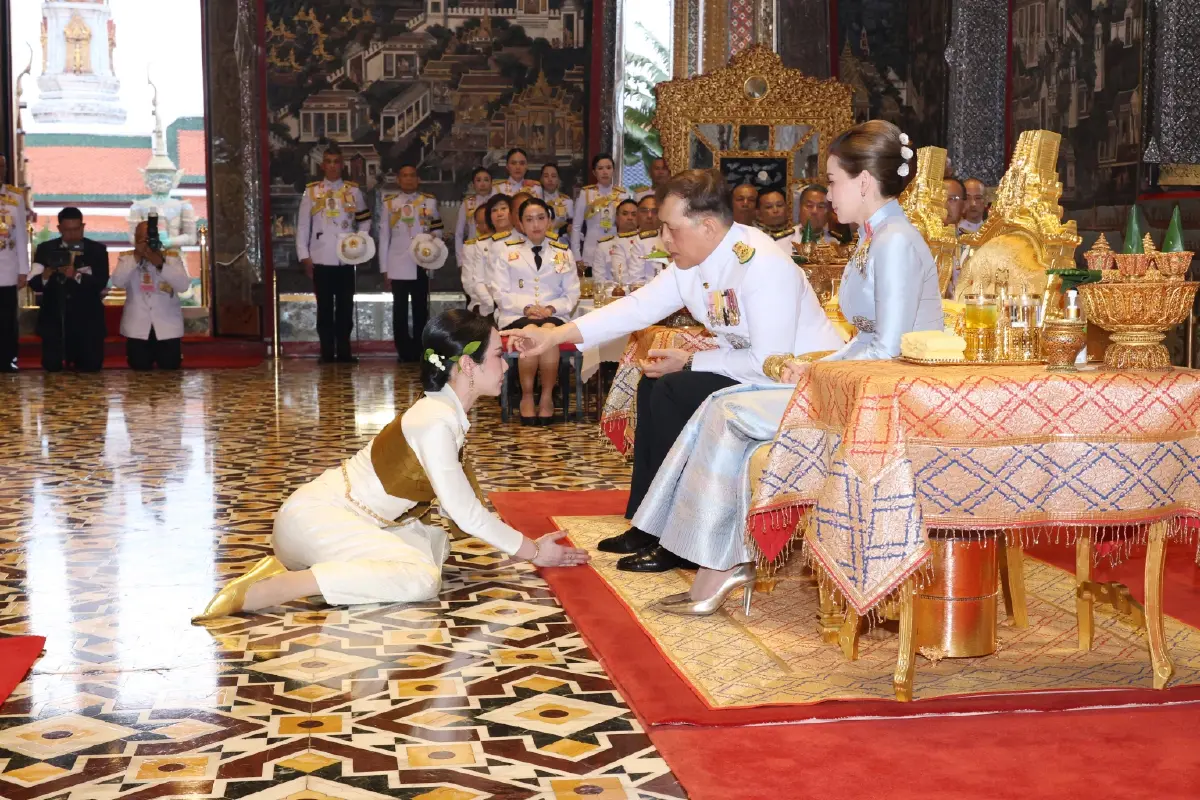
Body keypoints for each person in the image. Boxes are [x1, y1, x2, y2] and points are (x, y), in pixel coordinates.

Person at [642, 120, 943, 613]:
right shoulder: (874, 237)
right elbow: (863, 339)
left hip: (886, 401)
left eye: (833, 181)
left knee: (727, 411)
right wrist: (811, 365)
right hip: (857, 384)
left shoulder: (893, 242)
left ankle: (716, 567)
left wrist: (817, 373)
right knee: (722, 403)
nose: (826, 194)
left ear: (863, 183)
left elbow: (887, 348)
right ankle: (715, 561)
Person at [508, 169, 842, 571]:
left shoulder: (762, 265)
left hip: (793, 384)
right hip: (751, 373)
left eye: (670, 228)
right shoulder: (694, 261)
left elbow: (768, 363)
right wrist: (555, 336)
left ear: (706, 225)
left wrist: (691, 360)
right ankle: (649, 521)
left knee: (672, 391)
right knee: (654, 385)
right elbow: (637, 307)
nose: (663, 239)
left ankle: (681, 540)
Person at [192, 309, 590, 621]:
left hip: (334, 521)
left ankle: (295, 567)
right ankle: (271, 590)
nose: (506, 367)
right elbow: (465, 513)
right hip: (314, 521)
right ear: (467, 365)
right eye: (500, 356)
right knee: (421, 579)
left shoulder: (442, 411)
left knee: (434, 543)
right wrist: (533, 552)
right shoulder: (435, 421)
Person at [491, 198, 580, 425]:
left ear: (549, 220)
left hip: (554, 315)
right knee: (530, 331)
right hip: (517, 315)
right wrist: (527, 307)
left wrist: (550, 308)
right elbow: (499, 292)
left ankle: (547, 396)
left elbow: (572, 293)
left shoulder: (563, 253)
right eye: (529, 219)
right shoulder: (508, 252)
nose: (536, 224)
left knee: (549, 330)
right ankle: (528, 395)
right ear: (520, 224)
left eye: (541, 218)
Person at [297, 144, 371, 363]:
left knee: (346, 306)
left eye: (336, 162)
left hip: (346, 258)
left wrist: (358, 241)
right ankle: (327, 351)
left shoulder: (353, 191)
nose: (332, 166)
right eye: (328, 162)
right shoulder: (311, 191)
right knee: (325, 307)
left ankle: (345, 351)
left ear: (342, 164)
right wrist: (304, 255)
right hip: (320, 256)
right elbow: (303, 226)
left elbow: (365, 220)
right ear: (322, 165)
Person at [28, 207, 109, 372]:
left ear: (83, 226)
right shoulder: (45, 249)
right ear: (59, 229)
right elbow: (34, 283)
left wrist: (76, 275)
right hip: (55, 320)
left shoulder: (97, 250)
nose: (72, 234)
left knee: (91, 367)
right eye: (67, 230)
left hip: (88, 322)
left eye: (76, 229)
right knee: (52, 367)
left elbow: (100, 282)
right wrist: (46, 275)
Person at [380, 164, 443, 362]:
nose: (408, 179)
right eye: (404, 176)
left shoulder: (429, 202)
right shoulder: (389, 204)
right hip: (397, 263)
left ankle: (419, 350)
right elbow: (384, 237)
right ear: (398, 179)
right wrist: (385, 269)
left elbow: (438, 230)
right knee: (399, 310)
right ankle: (404, 352)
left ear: (418, 179)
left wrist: (432, 249)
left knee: (420, 310)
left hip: (421, 263)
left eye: (412, 176)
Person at [110, 221, 192, 370]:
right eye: (143, 238)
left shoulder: (171, 258)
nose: (147, 242)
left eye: (150, 238)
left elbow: (183, 285)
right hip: (137, 328)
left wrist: (160, 264)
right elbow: (118, 282)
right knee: (138, 367)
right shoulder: (127, 259)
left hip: (167, 326)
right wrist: (137, 256)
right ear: (135, 239)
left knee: (170, 368)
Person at [572, 154, 631, 271]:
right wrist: (576, 256)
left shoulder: (622, 195)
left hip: (616, 248)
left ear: (613, 170)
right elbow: (576, 226)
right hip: (591, 251)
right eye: (600, 168)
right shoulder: (586, 193)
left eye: (608, 168)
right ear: (594, 172)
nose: (605, 172)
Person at [0, 167, 29, 373]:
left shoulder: (14, 197)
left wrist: (23, 270)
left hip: (6, 268)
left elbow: (20, 235)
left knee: (6, 318)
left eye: (2, 166)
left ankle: (7, 358)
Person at [610, 195, 668, 285]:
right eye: (644, 211)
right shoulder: (623, 242)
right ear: (637, 215)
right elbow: (624, 279)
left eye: (655, 211)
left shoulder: (671, 236)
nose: (649, 216)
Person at [454, 166, 495, 267]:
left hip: (494, 252)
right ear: (473, 184)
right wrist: (460, 261)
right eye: (478, 180)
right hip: (472, 254)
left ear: (491, 183)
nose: (482, 184)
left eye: (486, 180)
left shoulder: (497, 204)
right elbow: (459, 234)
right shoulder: (467, 204)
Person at [599, 199, 642, 285]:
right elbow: (599, 281)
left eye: (634, 214)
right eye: (625, 214)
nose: (630, 218)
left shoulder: (645, 242)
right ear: (617, 217)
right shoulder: (603, 246)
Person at [461, 205, 494, 316]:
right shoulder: (471, 247)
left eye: (488, 221)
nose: (485, 227)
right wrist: (490, 302)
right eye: (480, 223)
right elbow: (469, 285)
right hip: (481, 305)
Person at [755, 188, 799, 255]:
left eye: (779, 205)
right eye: (769, 207)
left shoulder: (798, 234)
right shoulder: (754, 238)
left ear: (787, 209)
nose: (775, 210)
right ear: (758, 214)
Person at [539, 163, 571, 239]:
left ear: (558, 180)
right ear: (541, 179)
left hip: (561, 242)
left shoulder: (567, 201)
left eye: (553, 176)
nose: (550, 179)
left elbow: (571, 227)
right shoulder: (536, 201)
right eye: (546, 176)